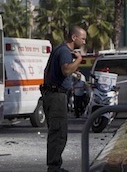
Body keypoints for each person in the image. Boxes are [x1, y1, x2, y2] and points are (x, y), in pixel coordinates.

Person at [41, 25, 87, 172]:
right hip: (56, 96)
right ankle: (54, 167)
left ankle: (54, 165)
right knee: (58, 132)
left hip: (52, 94)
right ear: (74, 37)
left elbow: (51, 72)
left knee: (57, 131)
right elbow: (66, 70)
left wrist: (75, 72)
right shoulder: (65, 52)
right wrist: (79, 59)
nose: (84, 42)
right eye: (83, 39)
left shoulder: (60, 50)